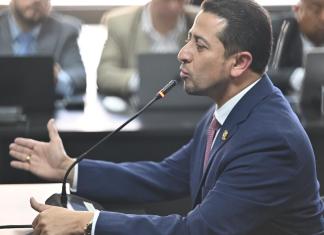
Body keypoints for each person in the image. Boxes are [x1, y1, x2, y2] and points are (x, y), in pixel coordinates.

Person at [9, 0, 324, 234]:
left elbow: (197, 231)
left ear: (239, 63)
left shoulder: (270, 140)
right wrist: (69, 168)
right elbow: (165, 176)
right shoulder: (227, 110)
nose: (183, 52)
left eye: (199, 45)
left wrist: (86, 222)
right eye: (188, 37)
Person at [97, 0, 198, 98]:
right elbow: (105, 75)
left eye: (180, 0)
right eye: (166, 0)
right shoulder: (121, 24)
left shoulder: (199, 22)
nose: (174, 6)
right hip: (139, 107)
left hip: (189, 106)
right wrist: (143, 81)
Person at [0, 0, 86, 98]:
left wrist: (59, 78)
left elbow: (79, 74)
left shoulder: (65, 31)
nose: (37, 1)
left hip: (46, 109)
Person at [268, 0, 324, 96]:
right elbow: (262, 74)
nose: (323, 18)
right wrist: (295, 76)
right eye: (316, 10)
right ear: (297, 10)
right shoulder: (280, 29)